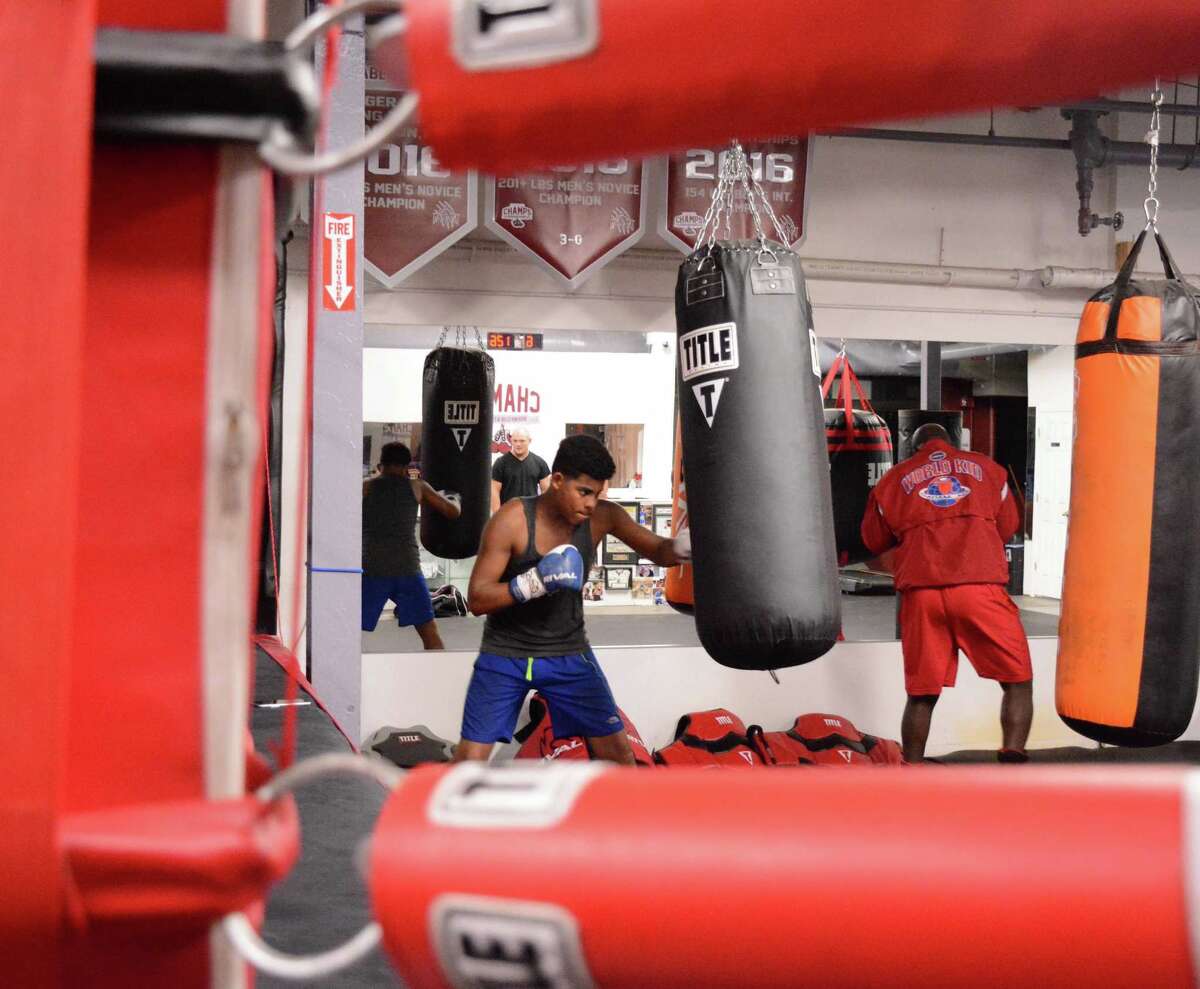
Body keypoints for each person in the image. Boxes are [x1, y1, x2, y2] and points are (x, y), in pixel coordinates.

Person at [454, 434, 690, 764]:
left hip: (568, 652)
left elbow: (659, 551)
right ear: (557, 480)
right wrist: (533, 582)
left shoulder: (603, 517)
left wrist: (683, 546)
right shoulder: (513, 520)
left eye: (597, 493)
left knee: (620, 758)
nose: (591, 503)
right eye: (584, 492)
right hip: (505, 654)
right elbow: (477, 598)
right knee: (469, 761)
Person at [861, 422, 1032, 765]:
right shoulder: (989, 469)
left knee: (921, 693)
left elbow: (874, 541)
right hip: (978, 588)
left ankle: (911, 767)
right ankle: (1012, 755)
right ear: (954, 441)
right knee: (1018, 680)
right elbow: (1007, 526)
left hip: (922, 594)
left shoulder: (892, 479)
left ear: (913, 447)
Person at [362, 441, 462, 650]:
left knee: (348, 628)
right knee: (429, 632)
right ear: (407, 466)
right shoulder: (417, 486)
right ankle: (438, 669)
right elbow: (452, 512)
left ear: (381, 463)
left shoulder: (366, 486)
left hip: (373, 567)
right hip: (406, 569)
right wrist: (455, 497)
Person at [491, 427, 550, 511]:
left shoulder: (540, 463)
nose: (518, 444)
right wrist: (498, 515)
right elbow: (494, 491)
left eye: (522, 441)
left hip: (531, 513)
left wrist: (543, 513)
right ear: (511, 441)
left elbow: (546, 491)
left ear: (529, 441)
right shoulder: (500, 463)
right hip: (508, 513)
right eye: (515, 441)